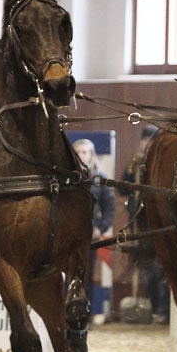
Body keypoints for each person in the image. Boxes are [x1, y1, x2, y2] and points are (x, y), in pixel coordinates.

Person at [119, 125, 169, 324]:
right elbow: (123, 187)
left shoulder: (160, 163)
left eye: (151, 140)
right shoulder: (136, 163)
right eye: (144, 139)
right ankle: (154, 307)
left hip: (159, 221)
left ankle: (164, 310)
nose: (147, 144)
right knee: (147, 269)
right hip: (139, 222)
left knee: (162, 268)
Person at [73, 138, 115, 324]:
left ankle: (84, 317)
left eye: (85, 152)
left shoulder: (100, 178)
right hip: (68, 234)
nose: (82, 155)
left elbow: (110, 208)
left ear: (91, 155)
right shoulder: (69, 176)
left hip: (90, 235)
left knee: (86, 276)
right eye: (79, 151)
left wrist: (101, 228)